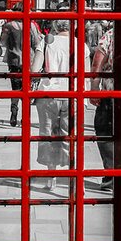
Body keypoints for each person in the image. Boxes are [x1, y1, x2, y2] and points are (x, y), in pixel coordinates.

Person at [0, 0, 43, 128]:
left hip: (14, 61)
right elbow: (36, 43)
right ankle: (25, 117)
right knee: (27, 90)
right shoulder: (31, 26)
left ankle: (13, 111)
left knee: (15, 89)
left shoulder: (9, 26)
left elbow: (2, 42)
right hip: (29, 61)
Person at [36, 19, 71, 174]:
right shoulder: (80, 44)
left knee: (48, 134)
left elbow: (34, 68)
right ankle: (73, 178)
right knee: (70, 136)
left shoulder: (46, 42)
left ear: (56, 27)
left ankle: (52, 176)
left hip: (49, 95)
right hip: (72, 97)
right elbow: (87, 78)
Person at [88, 20, 115, 179]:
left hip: (110, 94)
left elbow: (96, 64)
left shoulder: (110, 36)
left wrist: (94, 88)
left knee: (104, 131)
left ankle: (111, 172)